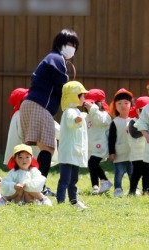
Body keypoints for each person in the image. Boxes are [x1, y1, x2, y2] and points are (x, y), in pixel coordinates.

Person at [20, 29, 79, 196]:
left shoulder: (52, 58)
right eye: (69, 44)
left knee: (43, 148)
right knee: (48, 148)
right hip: (40, 106)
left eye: (75, 45)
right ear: (60, 43)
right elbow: (63, 86)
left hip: (31, 104)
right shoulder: (57, 58)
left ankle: (33, 186)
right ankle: (39, 189)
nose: (72, 48)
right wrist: (76, 98)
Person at [3, 88, 59, 174]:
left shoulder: (16, 114)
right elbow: (55, 129)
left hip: (18, 151)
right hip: (29, 151)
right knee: (32, 173)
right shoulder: (28, 113)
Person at [56, 81, 88, 209]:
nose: (84, 98)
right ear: (75, 96)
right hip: (69, 151)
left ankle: (73, 200)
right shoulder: (70, 112)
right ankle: (61, 201)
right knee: (65, 179)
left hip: (74, 151)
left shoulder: (76, 111)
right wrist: (77, 120)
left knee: (73, 179)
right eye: (82, 95)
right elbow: (71, 122)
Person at [83, 89, 113, 195]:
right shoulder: (87, 116)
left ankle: (105, 180)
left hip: (101, 145)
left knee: (93, 163)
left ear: (98, 104)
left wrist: (93, 109)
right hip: (91, 146)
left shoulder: (104, 114)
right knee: (91, 165)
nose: (88, 106)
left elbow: (103, 122)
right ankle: (95, 186)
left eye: (92, 103)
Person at [108, 88, 134, 197]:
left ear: (131, 105)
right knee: (119, 172)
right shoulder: (115, 122)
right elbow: (111, 139)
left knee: (132, 172)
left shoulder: (133, 121)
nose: (123, 105)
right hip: (119, 152)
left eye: (126, 103)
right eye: (119, 103)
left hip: (132, 152)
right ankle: (118, 188)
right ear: (115, 106)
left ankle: (134, 188)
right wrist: (112, 152)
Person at [127, 96, 149, 196]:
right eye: (142, 110)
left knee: (147, 173)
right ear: (137, 110)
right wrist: (144, 127)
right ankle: (132, 190)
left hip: (148, 152)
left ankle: (146, 190)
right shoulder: (133, 121)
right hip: (137, 153)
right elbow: (134, 133)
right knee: (136, 173)